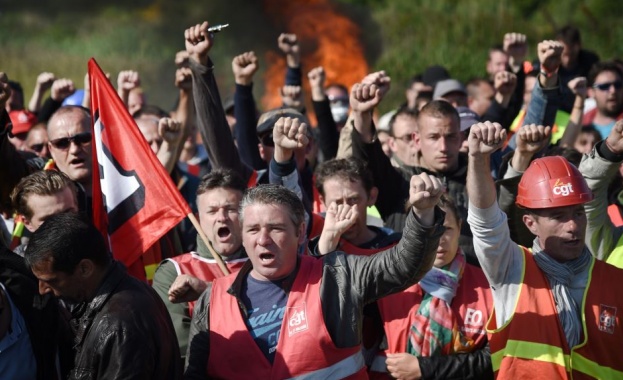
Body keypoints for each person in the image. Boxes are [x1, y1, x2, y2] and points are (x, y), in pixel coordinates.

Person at [185, 178, 446, 378]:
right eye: (253, 229)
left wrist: (423, 215)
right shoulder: (212, 300)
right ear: (242, 235)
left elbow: (403, 266)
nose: (263, 240)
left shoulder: (337, 276)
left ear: (300, 233)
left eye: (275, 228)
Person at [467, 121, 623, 378]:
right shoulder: (512, 270)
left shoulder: (616, 281)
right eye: (558, 216)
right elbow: (485, 222)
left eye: (578, 212)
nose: (572, 225)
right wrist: (477, 158)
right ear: (530, 224)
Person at [25, 212, 182, 379]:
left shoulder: (118, 325)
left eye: (52, 281)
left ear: (85, 268)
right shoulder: (126, 296)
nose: (43, 290)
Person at [375, 195, 493, 380]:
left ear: (460, 227)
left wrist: (426, 368)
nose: (439, 239)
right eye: (430, 230)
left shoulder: (487, 286)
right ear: (413, 232)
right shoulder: (387, 281)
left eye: (446, 229)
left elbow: (494, 358)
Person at [152, 169, 248, 363]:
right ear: (198, 219)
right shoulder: (174, 271)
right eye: (212, 211)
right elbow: (182, 348)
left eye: (231, 209)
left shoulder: (267, 261)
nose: (222, 217)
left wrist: (208, 292)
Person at [9, 170, 78, 255]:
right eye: (49, 220)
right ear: (27, 223)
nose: (62, 224)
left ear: (77, 206)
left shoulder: (97, 253)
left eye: (68, 214)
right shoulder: (17, 266)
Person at [582, 61, 623, 138]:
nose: (613, 91)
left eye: (618, 85)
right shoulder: (581, 124)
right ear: (591, 92)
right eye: (605, 86)